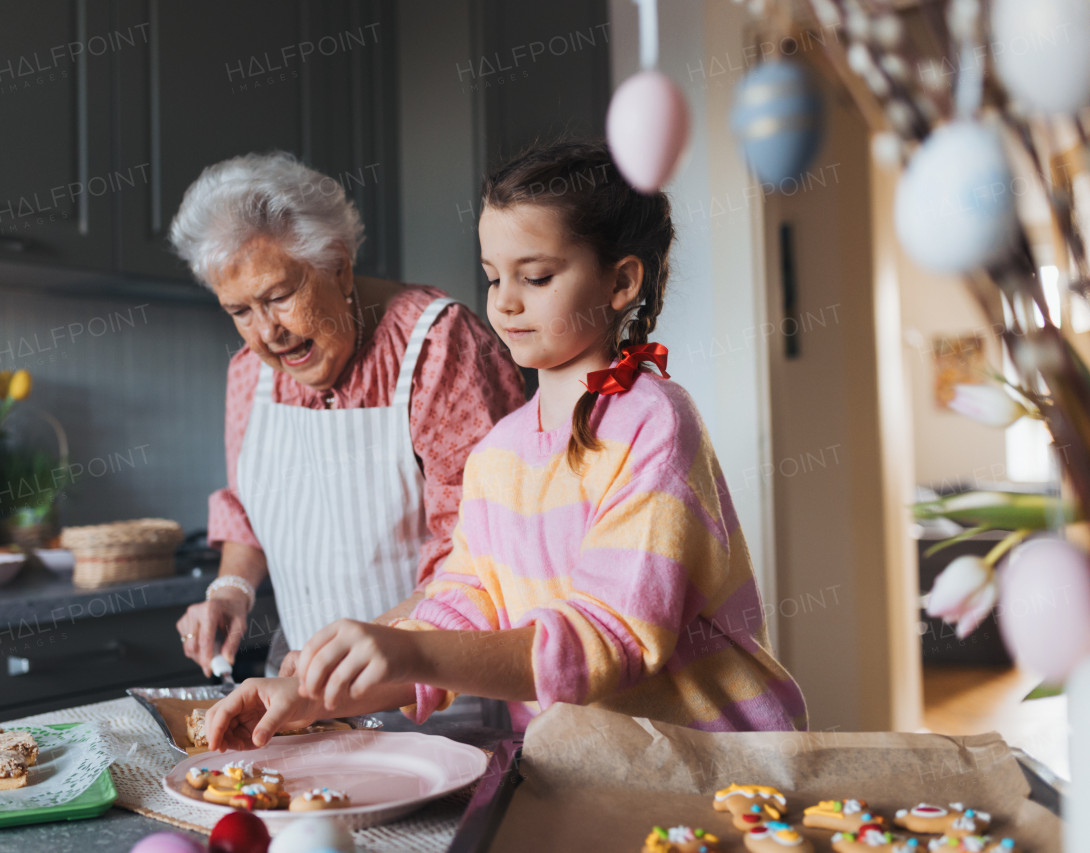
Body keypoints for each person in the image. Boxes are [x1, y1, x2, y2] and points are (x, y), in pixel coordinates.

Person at [204, 139, 808, 751]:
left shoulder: (652, 423)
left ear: (623, 281)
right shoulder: (501, 451)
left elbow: (610, 640)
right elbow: (464, 606)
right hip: (583, 764)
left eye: (536, 276)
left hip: (714, 762)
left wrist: (410, 647)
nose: (505, 300)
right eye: (494, 277)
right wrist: (305, 697)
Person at [169, 151, 526, 677]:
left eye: (280, 295)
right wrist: (230, 592)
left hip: (441, 690)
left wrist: (366, 657)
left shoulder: (440, 348)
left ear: (339, 265)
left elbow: (479, 552)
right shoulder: (250, 373)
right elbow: (248, 513)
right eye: (240, 311)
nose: (267, 332)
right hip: (307, 688)